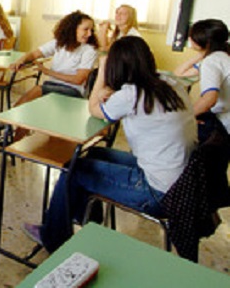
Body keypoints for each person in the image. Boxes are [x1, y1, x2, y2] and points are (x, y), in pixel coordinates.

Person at [23, 36, 197, 253]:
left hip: (157, 192)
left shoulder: (131, 95)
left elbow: (94, 109)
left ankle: (52, 236)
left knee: (73, 169)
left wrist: (102, 73)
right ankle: (87, 221)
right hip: (181, 182)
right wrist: (113, 95)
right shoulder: (169, 83)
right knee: (95, 153)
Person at [12, 10, 98, 106]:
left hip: (73, 90)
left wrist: (48, 72)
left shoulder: (89, 50)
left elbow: (78, 80)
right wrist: (20, 60)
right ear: (73, 29)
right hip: (52, 85)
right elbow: (34, 54)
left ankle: (6, 119)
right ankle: (6, 119)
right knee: (33, 97)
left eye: (91, 30)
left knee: (37, 90)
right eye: (86, 29)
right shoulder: (59, 43)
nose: (90, 34)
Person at [174, 19, 230, 142]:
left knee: (178, 130)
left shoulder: (212, 62)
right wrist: (203, 54)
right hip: (222, 118)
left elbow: (209, 99)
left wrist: (185, 118)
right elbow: (179, 73)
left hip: (224, 122)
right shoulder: (220, 57)